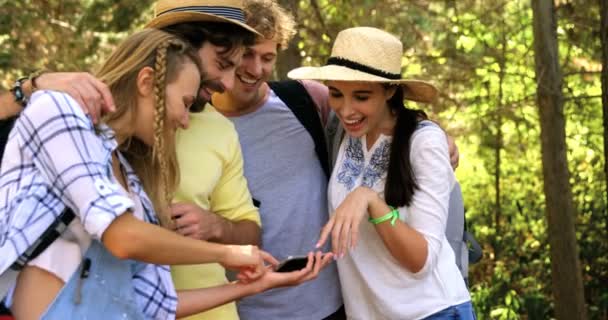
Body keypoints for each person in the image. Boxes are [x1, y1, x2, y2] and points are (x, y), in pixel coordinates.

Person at [0, 27, 331, 320]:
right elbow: (122, 237)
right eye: (185, 103)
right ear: (147, 82)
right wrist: (228, 253)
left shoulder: (132, 183)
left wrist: (253, 287)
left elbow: (156, 305)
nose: (186, 120)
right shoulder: (60, 112)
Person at [288, 26, 475, 319]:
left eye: (361, 97)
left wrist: (370, 200)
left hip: (431, 311)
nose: (346, 109)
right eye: (336, 94)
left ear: (390, 90)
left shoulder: (423, 143)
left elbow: (420, 260)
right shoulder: (340, 132)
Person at [211, 1, 344, 319]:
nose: (256, 69)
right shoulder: (192, 124)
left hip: (332, 302)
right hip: (248, 309)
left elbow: (378, 119)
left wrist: (428, 131)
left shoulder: (307, 100)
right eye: (247, 54)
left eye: (267, 58)